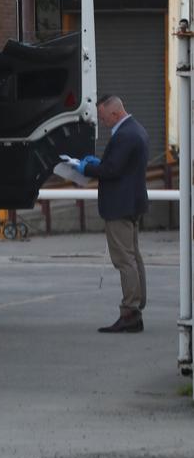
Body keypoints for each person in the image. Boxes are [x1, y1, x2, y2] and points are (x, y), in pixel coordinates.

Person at [75, 94, 149, 333]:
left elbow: (111, 169)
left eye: (103, 116)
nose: (102, 121)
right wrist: (98, 162)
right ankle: (137, 306)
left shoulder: (125, 134)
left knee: (124, 259)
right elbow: (121, 166)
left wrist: (85, 167)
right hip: (132, 204)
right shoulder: (137, 129)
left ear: (115, 113)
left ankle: (130, 311)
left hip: (119, 206)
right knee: (134, 256)